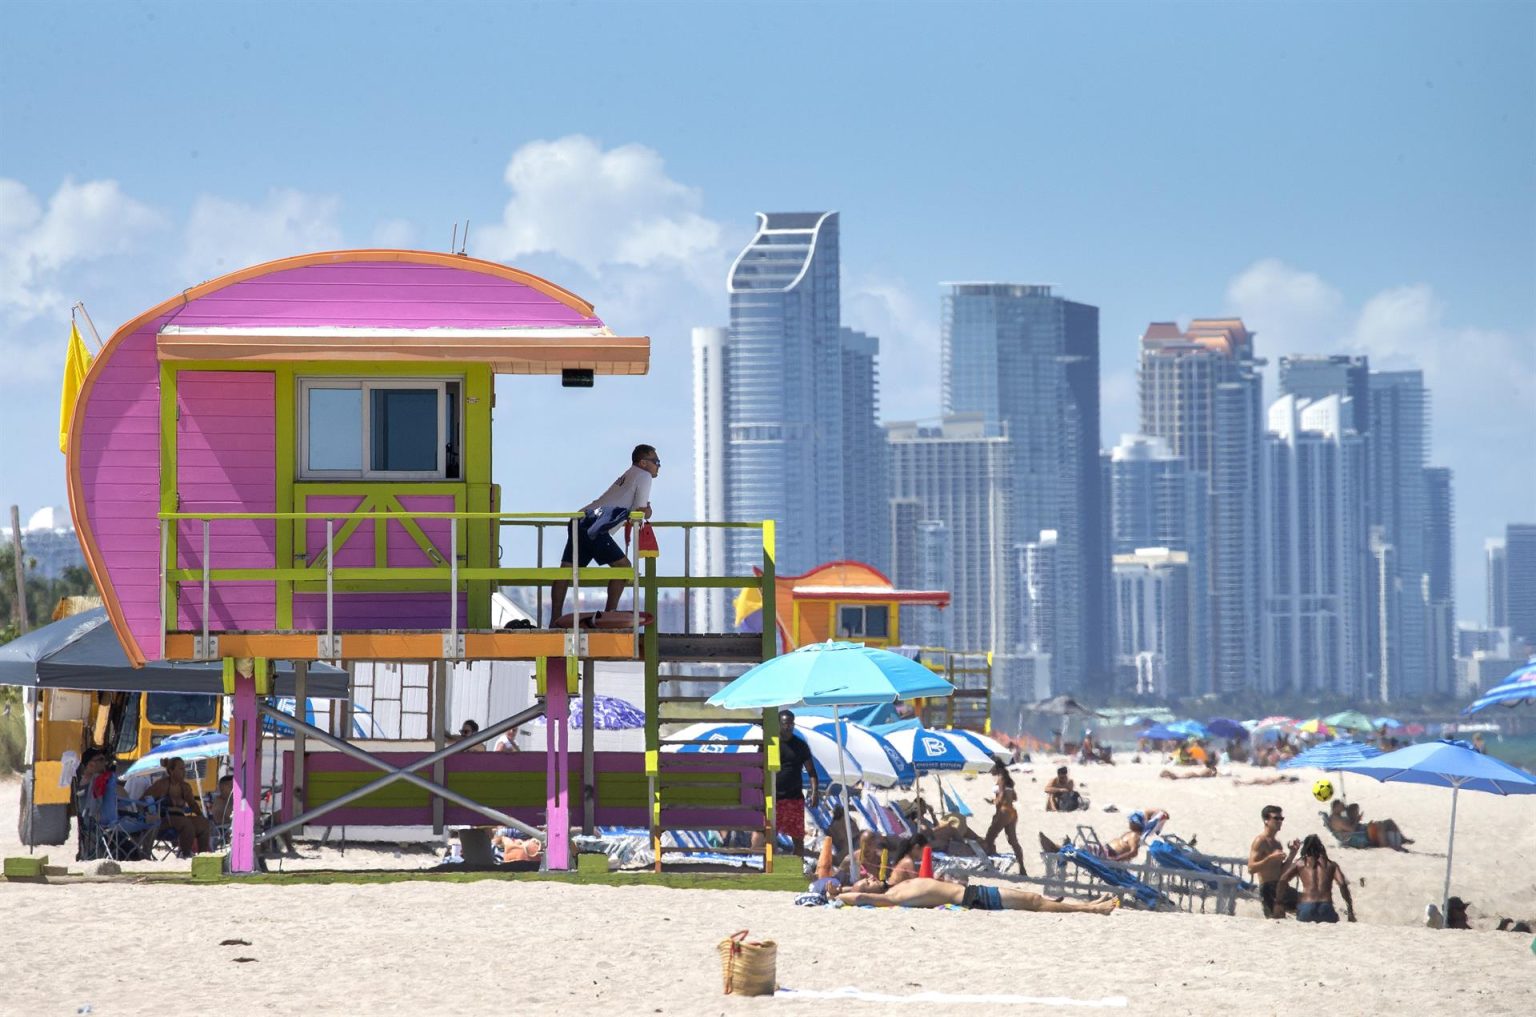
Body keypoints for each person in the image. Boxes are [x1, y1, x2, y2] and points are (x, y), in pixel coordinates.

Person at [548, 444, 660, 626]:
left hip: (580, 519)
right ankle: (609, 616)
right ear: (644, 462)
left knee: (566, 571)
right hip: (595, 525)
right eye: (656, 461)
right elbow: (639, 511)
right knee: (623, 568)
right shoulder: (644, 476)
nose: (658, 466)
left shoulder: (630, 474)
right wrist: (649, 512)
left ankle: (554, 620)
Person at [824, 876, 1119, 915]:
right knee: (1032, 902)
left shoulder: (897, 885)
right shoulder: (892, 898)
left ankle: (1087, 905)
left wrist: (844, 889)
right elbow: (862, 898)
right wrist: (839, 895)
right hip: (973, 899)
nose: (873, 878)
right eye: (868, 880)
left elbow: (862, 892)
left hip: (973, 892)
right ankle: (1092, 909)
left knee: (1031, 898)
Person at [752, 710, 819, 856]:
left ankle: (797, 868)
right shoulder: (769, 744)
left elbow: (812, 772)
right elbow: (757, 769)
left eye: (791, 724)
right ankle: (755, 862)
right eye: (785, 724)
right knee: (763, 834)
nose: (788, 727)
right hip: (772, 798)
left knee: (798, 839)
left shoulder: (800, 746)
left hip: (793, 798)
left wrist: (815, 792)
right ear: (778, 725)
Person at [144, 756, 212, 858]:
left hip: (179, 817)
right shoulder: (161, 784)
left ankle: (203, 856)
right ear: (171, 770)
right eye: (181, 769)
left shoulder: (185, 787)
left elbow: (193, 805)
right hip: (163, 820)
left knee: (204, 823)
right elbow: (144, 799)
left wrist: (201, 816)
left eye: (184, 769)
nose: (184, 772)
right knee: (186, 824)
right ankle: (185, 854)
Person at [1280, 834, 1355, 924]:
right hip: (1326, 908)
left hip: (1306, 909)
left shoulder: (1300, 863)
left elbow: (1283, 880)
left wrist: (1278, 902)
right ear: (1321, 847)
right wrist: (1350, 910)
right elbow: (1342, 885)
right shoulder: (1331, 864)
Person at [1248, 805, 1301, 919]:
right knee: (1277, 920)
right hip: (1268, 888)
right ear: (1266, 820)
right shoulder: (1260, 841)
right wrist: (1270, 858)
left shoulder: (1277, 844)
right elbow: (1251, 868)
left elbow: (1281, 872)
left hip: (1281, 886)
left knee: (1310, 904)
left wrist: (1292, 854)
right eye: (1276, 818)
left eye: (1281, 819)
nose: (1279, 821)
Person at [981, 761, 1027, 875]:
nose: (990, 770)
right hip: (1012, 812)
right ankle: (1022, 868)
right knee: (1013, 841)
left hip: (1003, 812)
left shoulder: (1001, 779)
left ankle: (990, 866)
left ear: (997, 767)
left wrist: (992, 801)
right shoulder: (1008, 780)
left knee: (989, 838)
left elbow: (1000, 798)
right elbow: (1015, 797)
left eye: (992, 768)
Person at [1326, 800, 1413, 851]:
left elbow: (1349, 826)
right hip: (1357, 836)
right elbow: (1352, 830)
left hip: (1359, 830)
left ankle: (1401, 839)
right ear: (1336, 807)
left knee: (1389, 822)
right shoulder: (1337, 820)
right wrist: (1357, 820)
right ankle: (1386, 845)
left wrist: (1354, 817)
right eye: (1342, 805)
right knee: (1380, 826)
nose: (1344, 807)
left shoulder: (1338, 817)